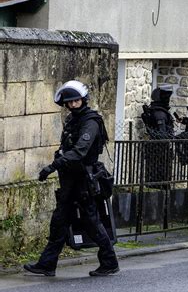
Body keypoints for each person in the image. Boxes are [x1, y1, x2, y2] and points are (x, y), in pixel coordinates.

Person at [24, 80, 119, 277]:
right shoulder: (73, 120)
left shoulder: (90, 122)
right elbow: (67, 148)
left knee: (91, 222)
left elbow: (80, 151)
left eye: (76, 101)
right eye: (70, 102)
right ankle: (47, 264)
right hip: (70, 180)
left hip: (83, 180)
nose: (73, 104)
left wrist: (53, 166)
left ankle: (109, 262)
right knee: (59, 222)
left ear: (83, 100)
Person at [141, 85, 174, 189]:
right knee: (160, 179)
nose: (168, 99)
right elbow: (162, 134)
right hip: (159, 150)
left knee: (159, 178)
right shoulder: (160, 113)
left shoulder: (157, 111)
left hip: (157, 149)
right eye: (166, 97)